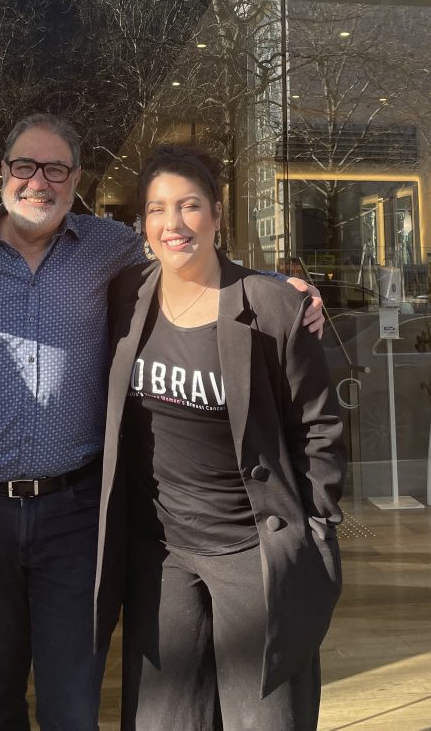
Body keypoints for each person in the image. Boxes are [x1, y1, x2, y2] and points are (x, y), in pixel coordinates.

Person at [0, 111, 324, 731]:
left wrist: (281, 291)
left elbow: (188, 254)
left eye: (56, 168)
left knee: (72, 701)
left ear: (76, 178)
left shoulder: (109, 250)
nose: (39, 182)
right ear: (3, 173)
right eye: (25, 166)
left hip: (74, 517)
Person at [95, 144, 346, 731]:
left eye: (188, 206)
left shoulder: (270, 305)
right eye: (157, 210)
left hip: (252, 550)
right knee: (166, 719)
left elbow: (320, 425)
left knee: (266, 718)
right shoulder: (126, 297)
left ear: (217, 211)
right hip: (162, 553)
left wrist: (312, 531)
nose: (172, 224)